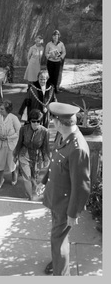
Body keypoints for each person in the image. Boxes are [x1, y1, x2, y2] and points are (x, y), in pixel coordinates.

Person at [36, 102, 90, 276]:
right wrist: (43, 182)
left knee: (58, 240)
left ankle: (61, 274)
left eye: (53, 119)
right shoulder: (62, 135)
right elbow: (54, 163)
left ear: (59, 122)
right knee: (58, 238)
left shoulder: (77, 148)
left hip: (65, 205)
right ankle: (58, 261)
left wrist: (73, 213)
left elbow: (82, 186)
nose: (52, 121)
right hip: (56, 198)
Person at [13, 109, 50, 201]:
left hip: (37, 157)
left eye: (38, 121)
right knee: (27, 177)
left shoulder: (45, 131)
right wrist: (15, 155)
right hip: (24, 155)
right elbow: (19, 143)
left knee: (34, 177)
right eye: (34, 121)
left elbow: (45, 147)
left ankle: (31, 191)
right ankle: (30, 197)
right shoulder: (23, 129)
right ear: (30, 121)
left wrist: (46, 159)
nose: (36, 123)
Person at [0, 100, 21, 190]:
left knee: (11, 162)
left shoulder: (14, 118)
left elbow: (19, 132)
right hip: (0, 144)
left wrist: (8, 138)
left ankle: (14, 175)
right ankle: (1, 179)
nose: (0, 110)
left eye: (2, 109)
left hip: (11, 144)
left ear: (7, 109)